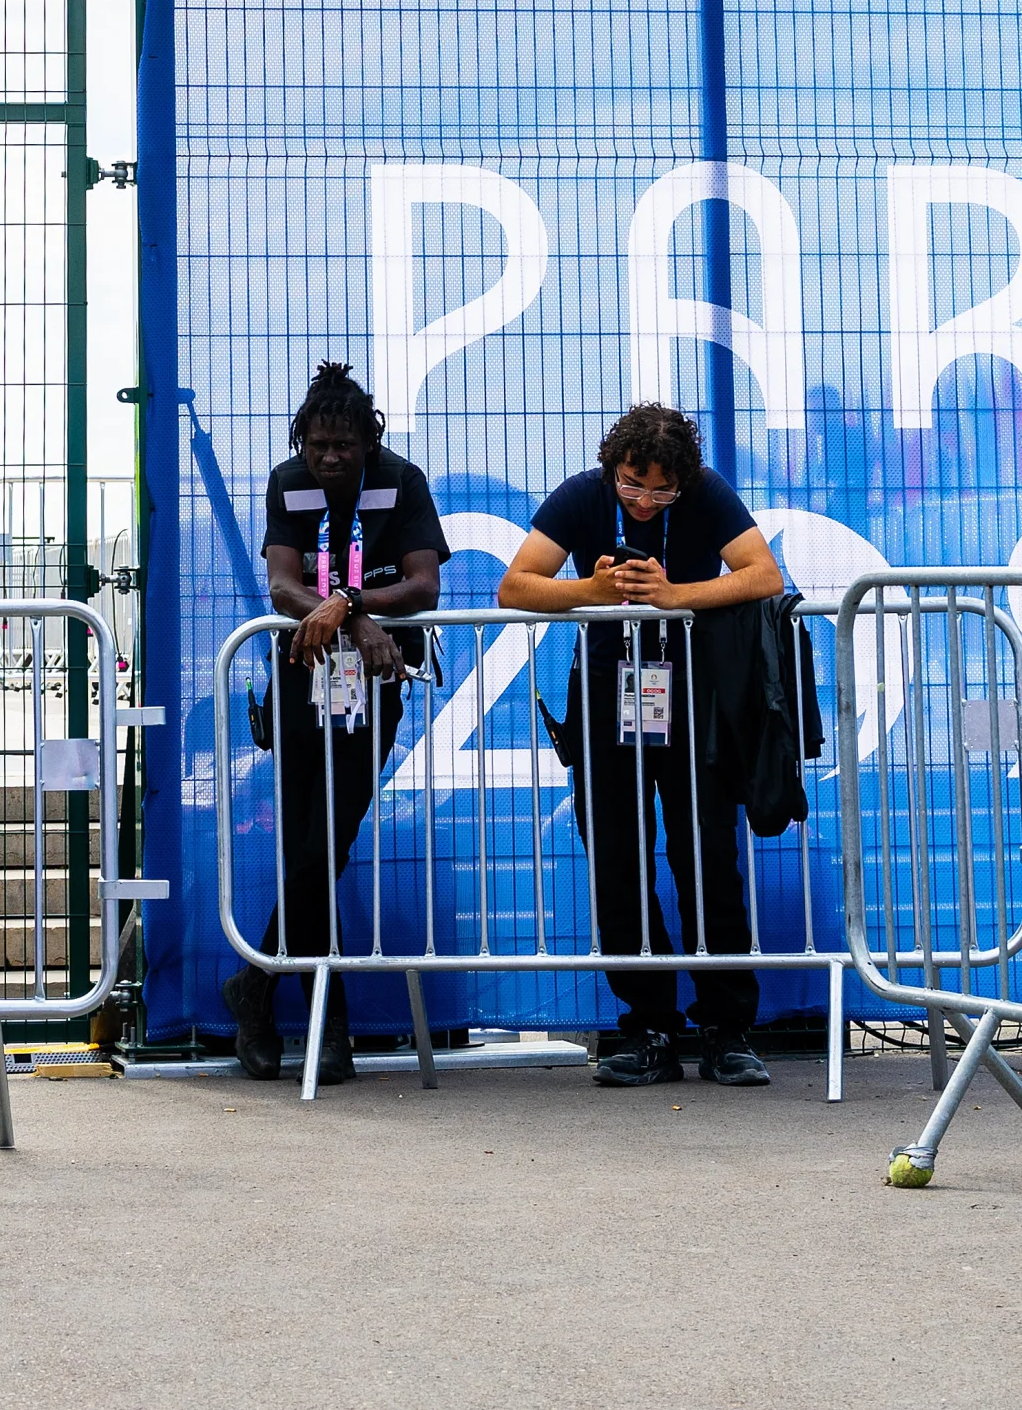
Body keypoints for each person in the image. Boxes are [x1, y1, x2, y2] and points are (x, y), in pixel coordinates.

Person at [499, 402, 783, 1090]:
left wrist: (673, 593)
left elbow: (764, 574)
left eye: (662, 488)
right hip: (604, 701)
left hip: (694, 703)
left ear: (684, 477)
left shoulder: (708, 490)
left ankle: (727, 1026)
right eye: (633, 483)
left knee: (708, 856)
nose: (646, 499)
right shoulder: (582, 493)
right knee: (618, 864)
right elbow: (514, 585)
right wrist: (589, 591)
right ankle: (648, 1024)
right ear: (613, 468)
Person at [222, 362, 445, 1086]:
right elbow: (283, 583)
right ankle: (329, 1023)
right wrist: (339, 609)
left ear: (367, 436)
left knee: (330, 842)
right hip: (299, 683)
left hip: (372, 684)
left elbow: (425, 581)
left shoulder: (402, 480)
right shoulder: (288, 482)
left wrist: (348, 603)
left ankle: (257, 987)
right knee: (306, 848)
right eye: (318, 443)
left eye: (343, 443)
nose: (329, 456)